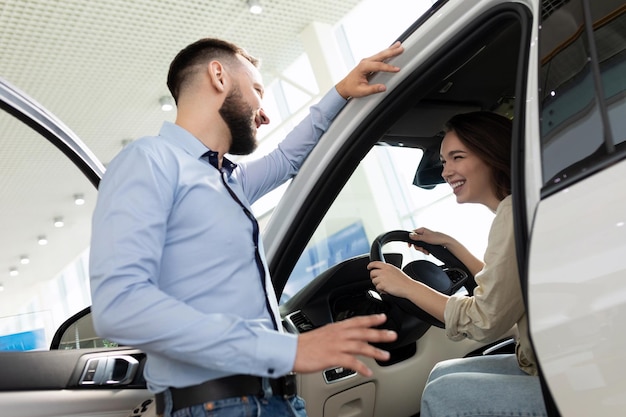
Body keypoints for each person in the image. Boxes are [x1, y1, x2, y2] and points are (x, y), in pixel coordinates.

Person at [89, 38, 402, 417]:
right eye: (257, 90)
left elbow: (287, 158)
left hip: (275, 400)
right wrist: (289, 349)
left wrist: (340, 92)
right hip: (216, 405)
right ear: (218, 76)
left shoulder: (228, 181)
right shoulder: (149, 160)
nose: (265, 114)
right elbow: (120, 305)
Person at [367, 111, 547, 416]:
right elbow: (507, 287)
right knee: (442, 373)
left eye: (457, 157)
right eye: (444, 161)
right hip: (546, 362)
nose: (445, 171)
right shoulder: (519, 208)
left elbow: (485, 319)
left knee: (442, 394)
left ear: (492, 153)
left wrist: (407, 287)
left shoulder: (513, 214)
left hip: (558, 373)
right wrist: (452, 245)